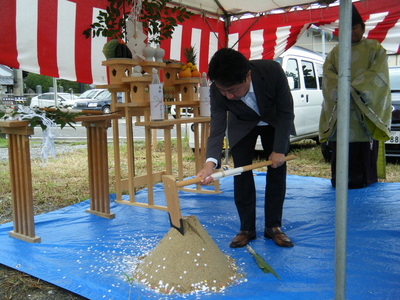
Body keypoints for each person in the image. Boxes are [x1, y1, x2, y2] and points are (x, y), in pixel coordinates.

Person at [196, 48, 295, 248]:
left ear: (248, 75)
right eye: (223, 91)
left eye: (232, 90)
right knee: (241, 173)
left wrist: (279, 149)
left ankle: (273, 226)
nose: (228, 96)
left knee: (277, 170)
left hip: (274, 122)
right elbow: (217, 128)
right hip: (241, 125)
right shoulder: (218, 88)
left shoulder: (272, 71)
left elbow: (286, 112)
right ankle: (246, 228)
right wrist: (209, 164)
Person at [319, 4, 392, 189]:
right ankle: (341, 180)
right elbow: (328, 76)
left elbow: (379, 75)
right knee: (341, 148)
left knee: (362, 152)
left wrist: (353, 87)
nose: (350, 32)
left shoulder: (375, 48)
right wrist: (344, 87)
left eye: (354, 28)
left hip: (364, 112)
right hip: (342, 112)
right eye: (346, 28)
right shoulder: (336, 52)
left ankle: (365, 181)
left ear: (363, 28)